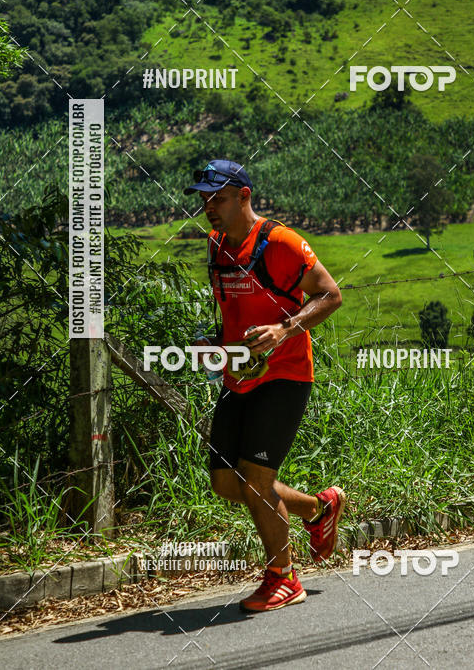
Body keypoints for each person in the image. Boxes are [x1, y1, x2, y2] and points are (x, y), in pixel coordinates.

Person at [184, 159, 345, 612]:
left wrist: (285, 329)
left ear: (244, 196)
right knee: (225, 483)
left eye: (217, 198)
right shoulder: (216, 245)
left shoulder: (281, 243)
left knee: (257, 481)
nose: (208, 207)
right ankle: (318, 508)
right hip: (239, 376)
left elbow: (330, 295)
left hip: (286, 375)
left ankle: (283, 577)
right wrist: (215, 343)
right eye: (204, 199)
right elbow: (235, 311)